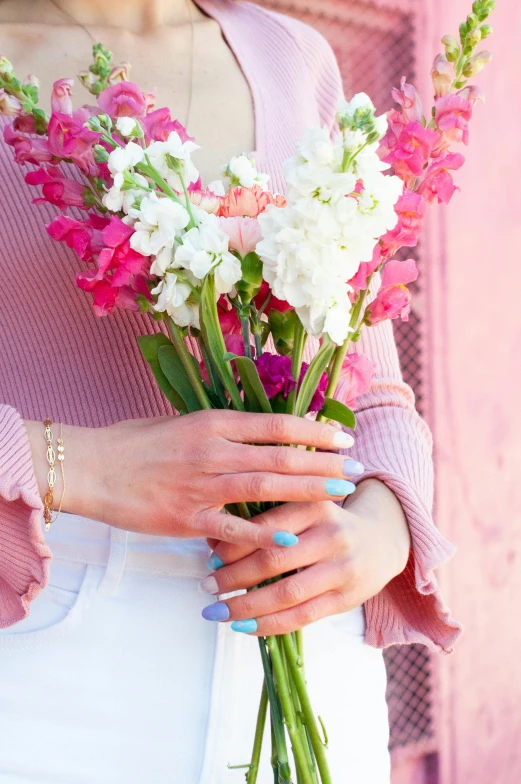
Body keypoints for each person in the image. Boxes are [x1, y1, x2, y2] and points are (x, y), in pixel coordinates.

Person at [0, 1, 461, 781]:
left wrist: (376, 532)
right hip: (54, 633)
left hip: (313, 637)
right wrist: (73, 464)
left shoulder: (289, 54)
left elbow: (372, 388)